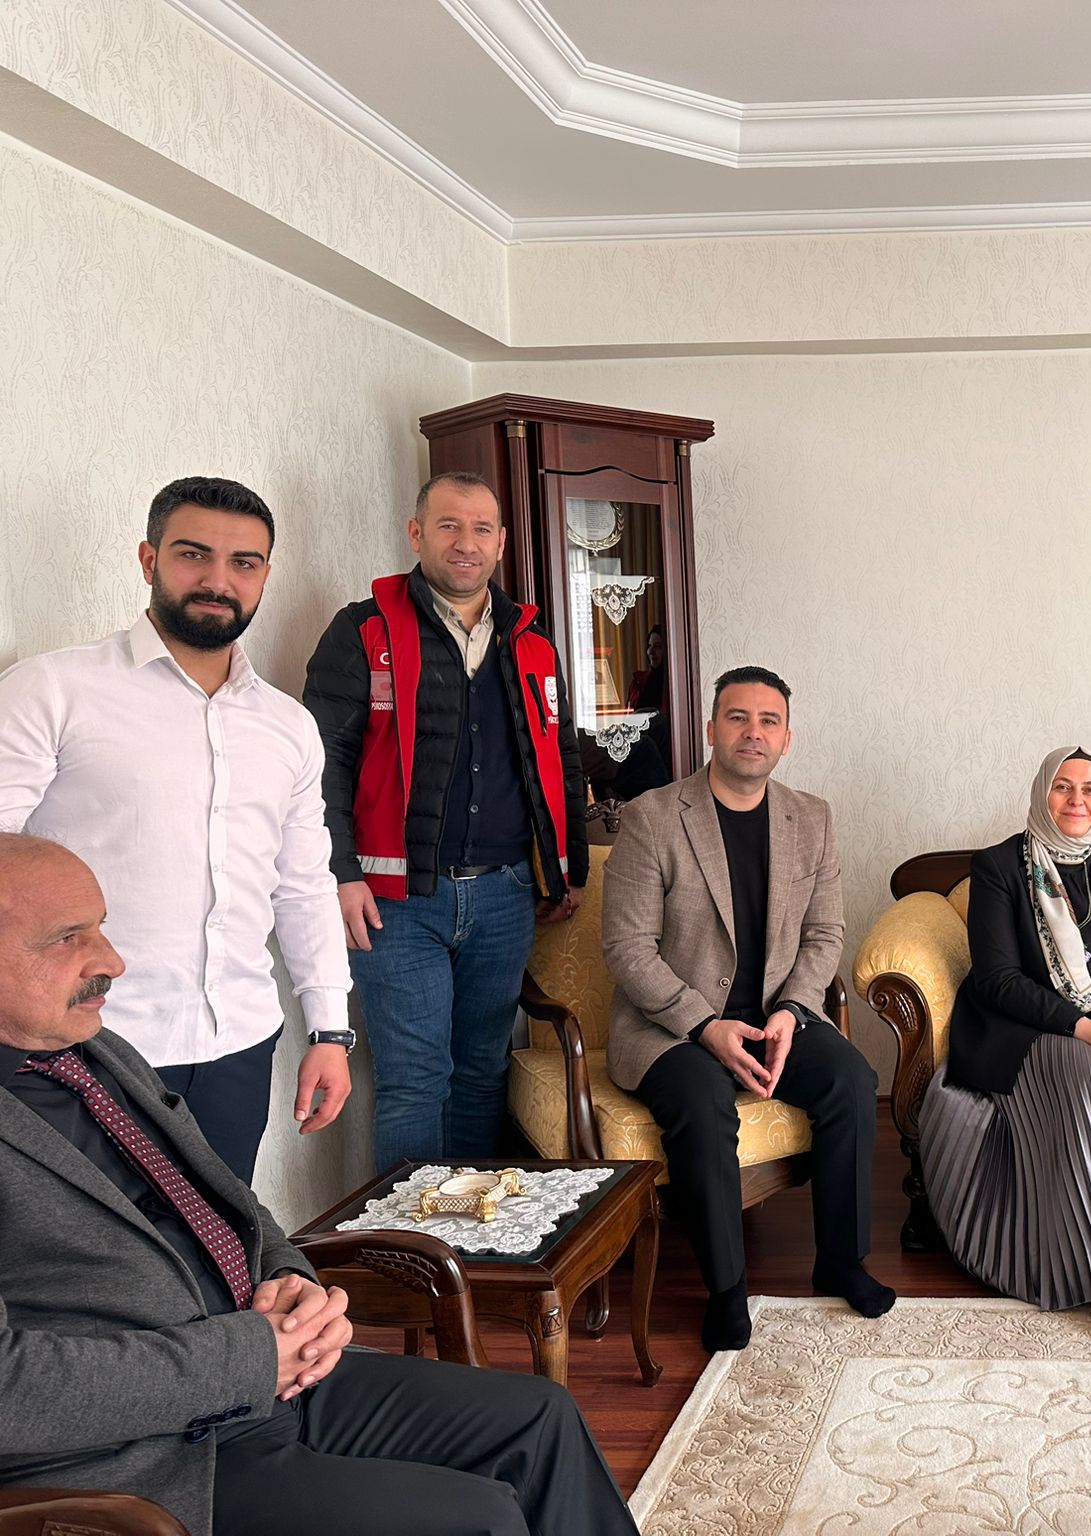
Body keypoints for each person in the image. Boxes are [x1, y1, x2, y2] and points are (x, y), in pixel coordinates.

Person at [0, 833, 636, 1536]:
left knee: (541, 1418)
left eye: (101, 927)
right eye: (68, 938)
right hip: (148, 1456)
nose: (111, 961)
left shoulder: (95, 1052)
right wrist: (253, 1358)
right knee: (478, 1519)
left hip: (275, 1381)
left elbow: (224, 1202)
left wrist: (290, 1279)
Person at [0, 477, 351, 1184]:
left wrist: (330, 1029)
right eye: (194, 555)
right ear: (149, 559)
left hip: (239, 1044)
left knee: (222, 1240)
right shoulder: (53, 690)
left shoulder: (288, 725)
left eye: (244, 562)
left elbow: (304, 885)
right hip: (87, 1045)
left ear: (265, 575)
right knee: (96, 1253)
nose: (218, 581)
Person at [602, 666, 892, 1352]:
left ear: (787, 738)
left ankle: (841, 1262)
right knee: (703, 1100)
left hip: (775, 1017)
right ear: (711, 729)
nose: (752, 732)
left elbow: (825, 934)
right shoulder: (653, 817)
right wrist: (704, 1025)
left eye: (768, 721)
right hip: (672, 1027)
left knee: (852, 1080)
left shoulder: (811, 818)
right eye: (737, 717)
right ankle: (727, 1291)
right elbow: (627, 948)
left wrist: (792, 1010)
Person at [303, 472, 586, 1171]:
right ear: (417, 533)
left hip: (505, 896)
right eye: (449, 525)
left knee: (483, 1074)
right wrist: (339, 873)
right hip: (396, 903)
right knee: (414, 1082)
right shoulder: (363, 630)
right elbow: (320, 766)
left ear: (501, 542)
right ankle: (409, 1239)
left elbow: (560, 758)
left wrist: (567, 869)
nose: (466, 543)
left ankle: (471, 1230)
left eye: (482, 528)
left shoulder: (531, 640)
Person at [922, 747, 1091, 1346]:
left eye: (1090, 789)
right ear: (1041, 792)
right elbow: (998, 978)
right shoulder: (998, 867)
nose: (1077, 800)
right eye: (1063, 787)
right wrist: (1085, 1029)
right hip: (1030, 1025)